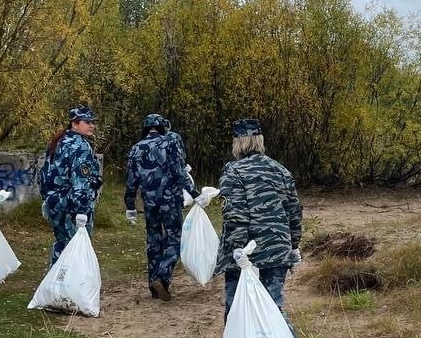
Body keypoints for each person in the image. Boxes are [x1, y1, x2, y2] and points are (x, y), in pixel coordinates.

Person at [215, 119, 303, 322]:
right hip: (278, 249)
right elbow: (294, 211)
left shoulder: (233, 171)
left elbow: (235, 215)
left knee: (239, 313)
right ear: (260, 140)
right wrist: (293, 245)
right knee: (273, 311)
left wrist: (237, 250)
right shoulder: (280, 170)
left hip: (246, 254)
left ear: (237, 142)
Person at [124, 113, 204, 301]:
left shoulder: (136, 148)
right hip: (170, 200)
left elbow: (131, 180)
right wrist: (194, 193)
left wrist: (130, 205)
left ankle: (154, 286)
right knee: (174, 238)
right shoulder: (169, 143)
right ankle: (162, 275)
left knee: (153, 240)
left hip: (149, 202)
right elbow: (179, 171)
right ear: (162, 128)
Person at [40, 105, 103, 265]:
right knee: (77, 249)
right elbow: (81, 182)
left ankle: (56, 279)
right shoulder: (80, 146)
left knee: (62, 244)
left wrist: (46, 198)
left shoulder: (58, 142)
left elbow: (45, 174)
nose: (92, 126)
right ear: (75, 123)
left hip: (55, 202)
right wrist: (82, 210)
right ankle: (74, 280)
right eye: (87, 122)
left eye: (93, 122)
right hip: (72, 205)